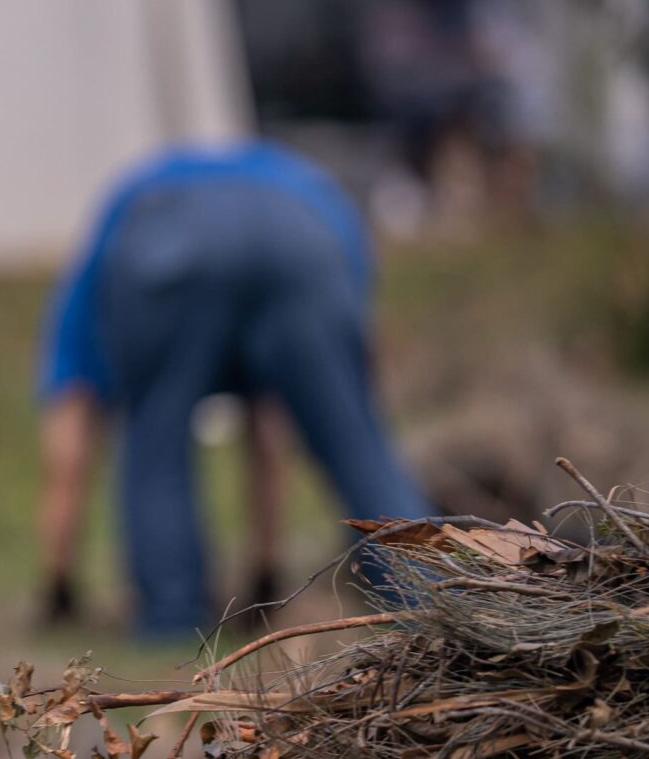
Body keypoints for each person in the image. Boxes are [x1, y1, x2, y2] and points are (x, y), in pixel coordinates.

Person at [34, 142, 434, 639]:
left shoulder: (92, 276)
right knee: (355, 440)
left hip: (168, 235)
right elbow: (273, 425)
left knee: (154, 437)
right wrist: (265, 576)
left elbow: (69, 449)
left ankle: (172, 619)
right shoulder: (292, 186)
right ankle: (426, 597)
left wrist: (58, 586)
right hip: (307, 228)